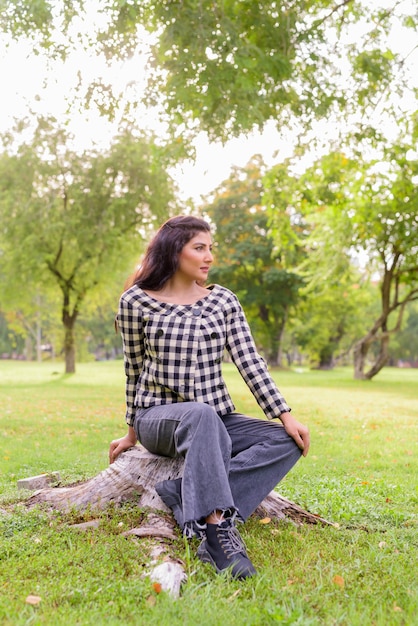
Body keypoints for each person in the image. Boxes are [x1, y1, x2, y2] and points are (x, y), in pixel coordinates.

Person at [109, 215, 310, 580]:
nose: (209, 257)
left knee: (285, 441)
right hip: (158, 418)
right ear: (174, 252)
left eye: (210, 248)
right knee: (200, 414)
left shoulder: (222, 302)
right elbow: (133, 370)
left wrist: (285, 415)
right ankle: (216, 533)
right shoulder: (136, 302)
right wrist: (131, 434)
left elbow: (249, 361)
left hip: (215, 418)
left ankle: (185, 492)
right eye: (199, 248)